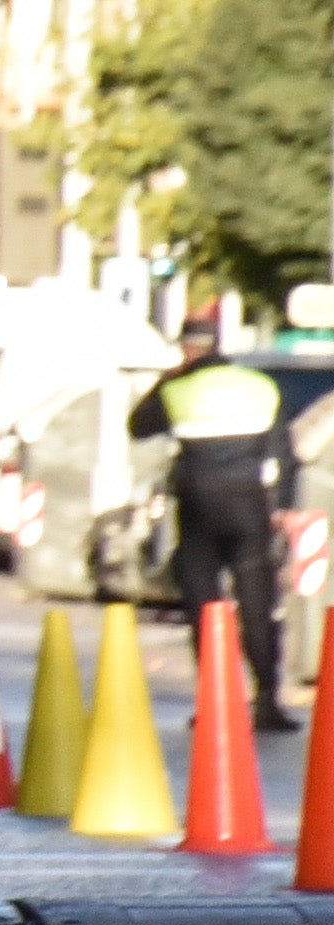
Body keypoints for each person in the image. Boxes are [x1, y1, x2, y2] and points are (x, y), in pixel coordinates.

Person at [128, 309, 296, 732]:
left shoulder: (179, 388)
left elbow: (139, 426)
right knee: (258, 603)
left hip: (199, 502)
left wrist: (169, 379)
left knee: (203, 605)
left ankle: (216, 702)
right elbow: (284, 453)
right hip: (249, 502)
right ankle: (268, 701)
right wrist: (283, 507)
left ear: (186, 348)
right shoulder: (259, 386)